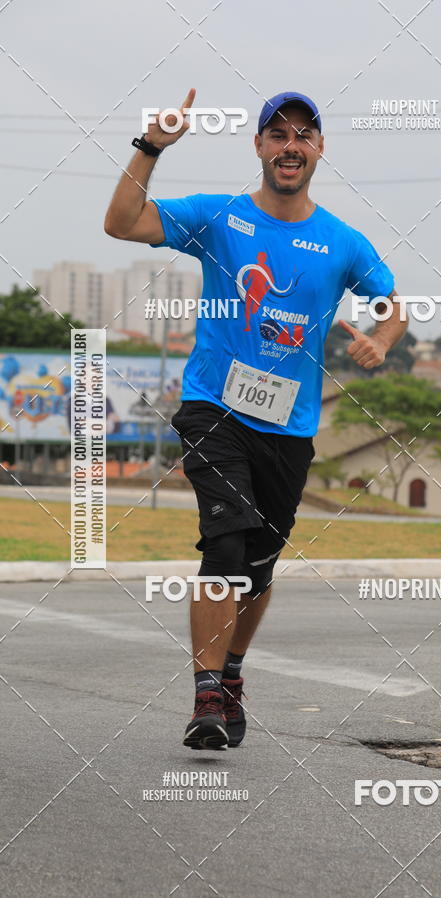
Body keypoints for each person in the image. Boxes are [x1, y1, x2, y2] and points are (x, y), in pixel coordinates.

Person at [104, 89, 408, 750]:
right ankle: (207, 694)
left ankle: (232, 673)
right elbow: (122, 223)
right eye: (278, 134)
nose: (290, 145)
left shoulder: (342, 243)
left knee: (260, 568)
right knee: (226, 542)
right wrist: (150, 146)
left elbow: (393, 304)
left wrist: (381, 342)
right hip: (214, 405)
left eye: (303, 134)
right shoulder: (219, 218)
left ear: (319, 149)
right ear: (260, 147)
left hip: (289, 428)